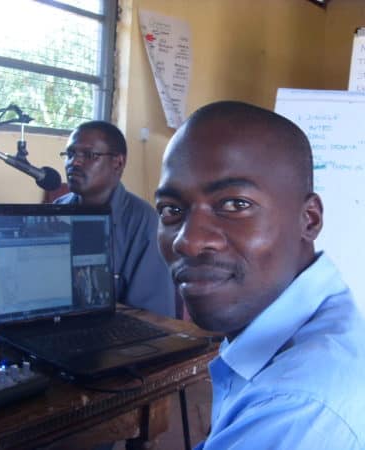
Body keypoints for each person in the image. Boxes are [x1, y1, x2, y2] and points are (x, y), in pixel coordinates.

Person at [155, 101, 365, 449]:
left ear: (308, 220)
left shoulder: (296, 406)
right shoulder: (324, 318)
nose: (188, 241)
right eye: (171, 210)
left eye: (235, 204)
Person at [55, 120, 175, 317]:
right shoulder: (58, 210)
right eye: (70, 154)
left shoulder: (145, 222)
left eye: (89, 155)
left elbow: (153, 316)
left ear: (118, 163)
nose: (74, 162)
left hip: (119, 336)